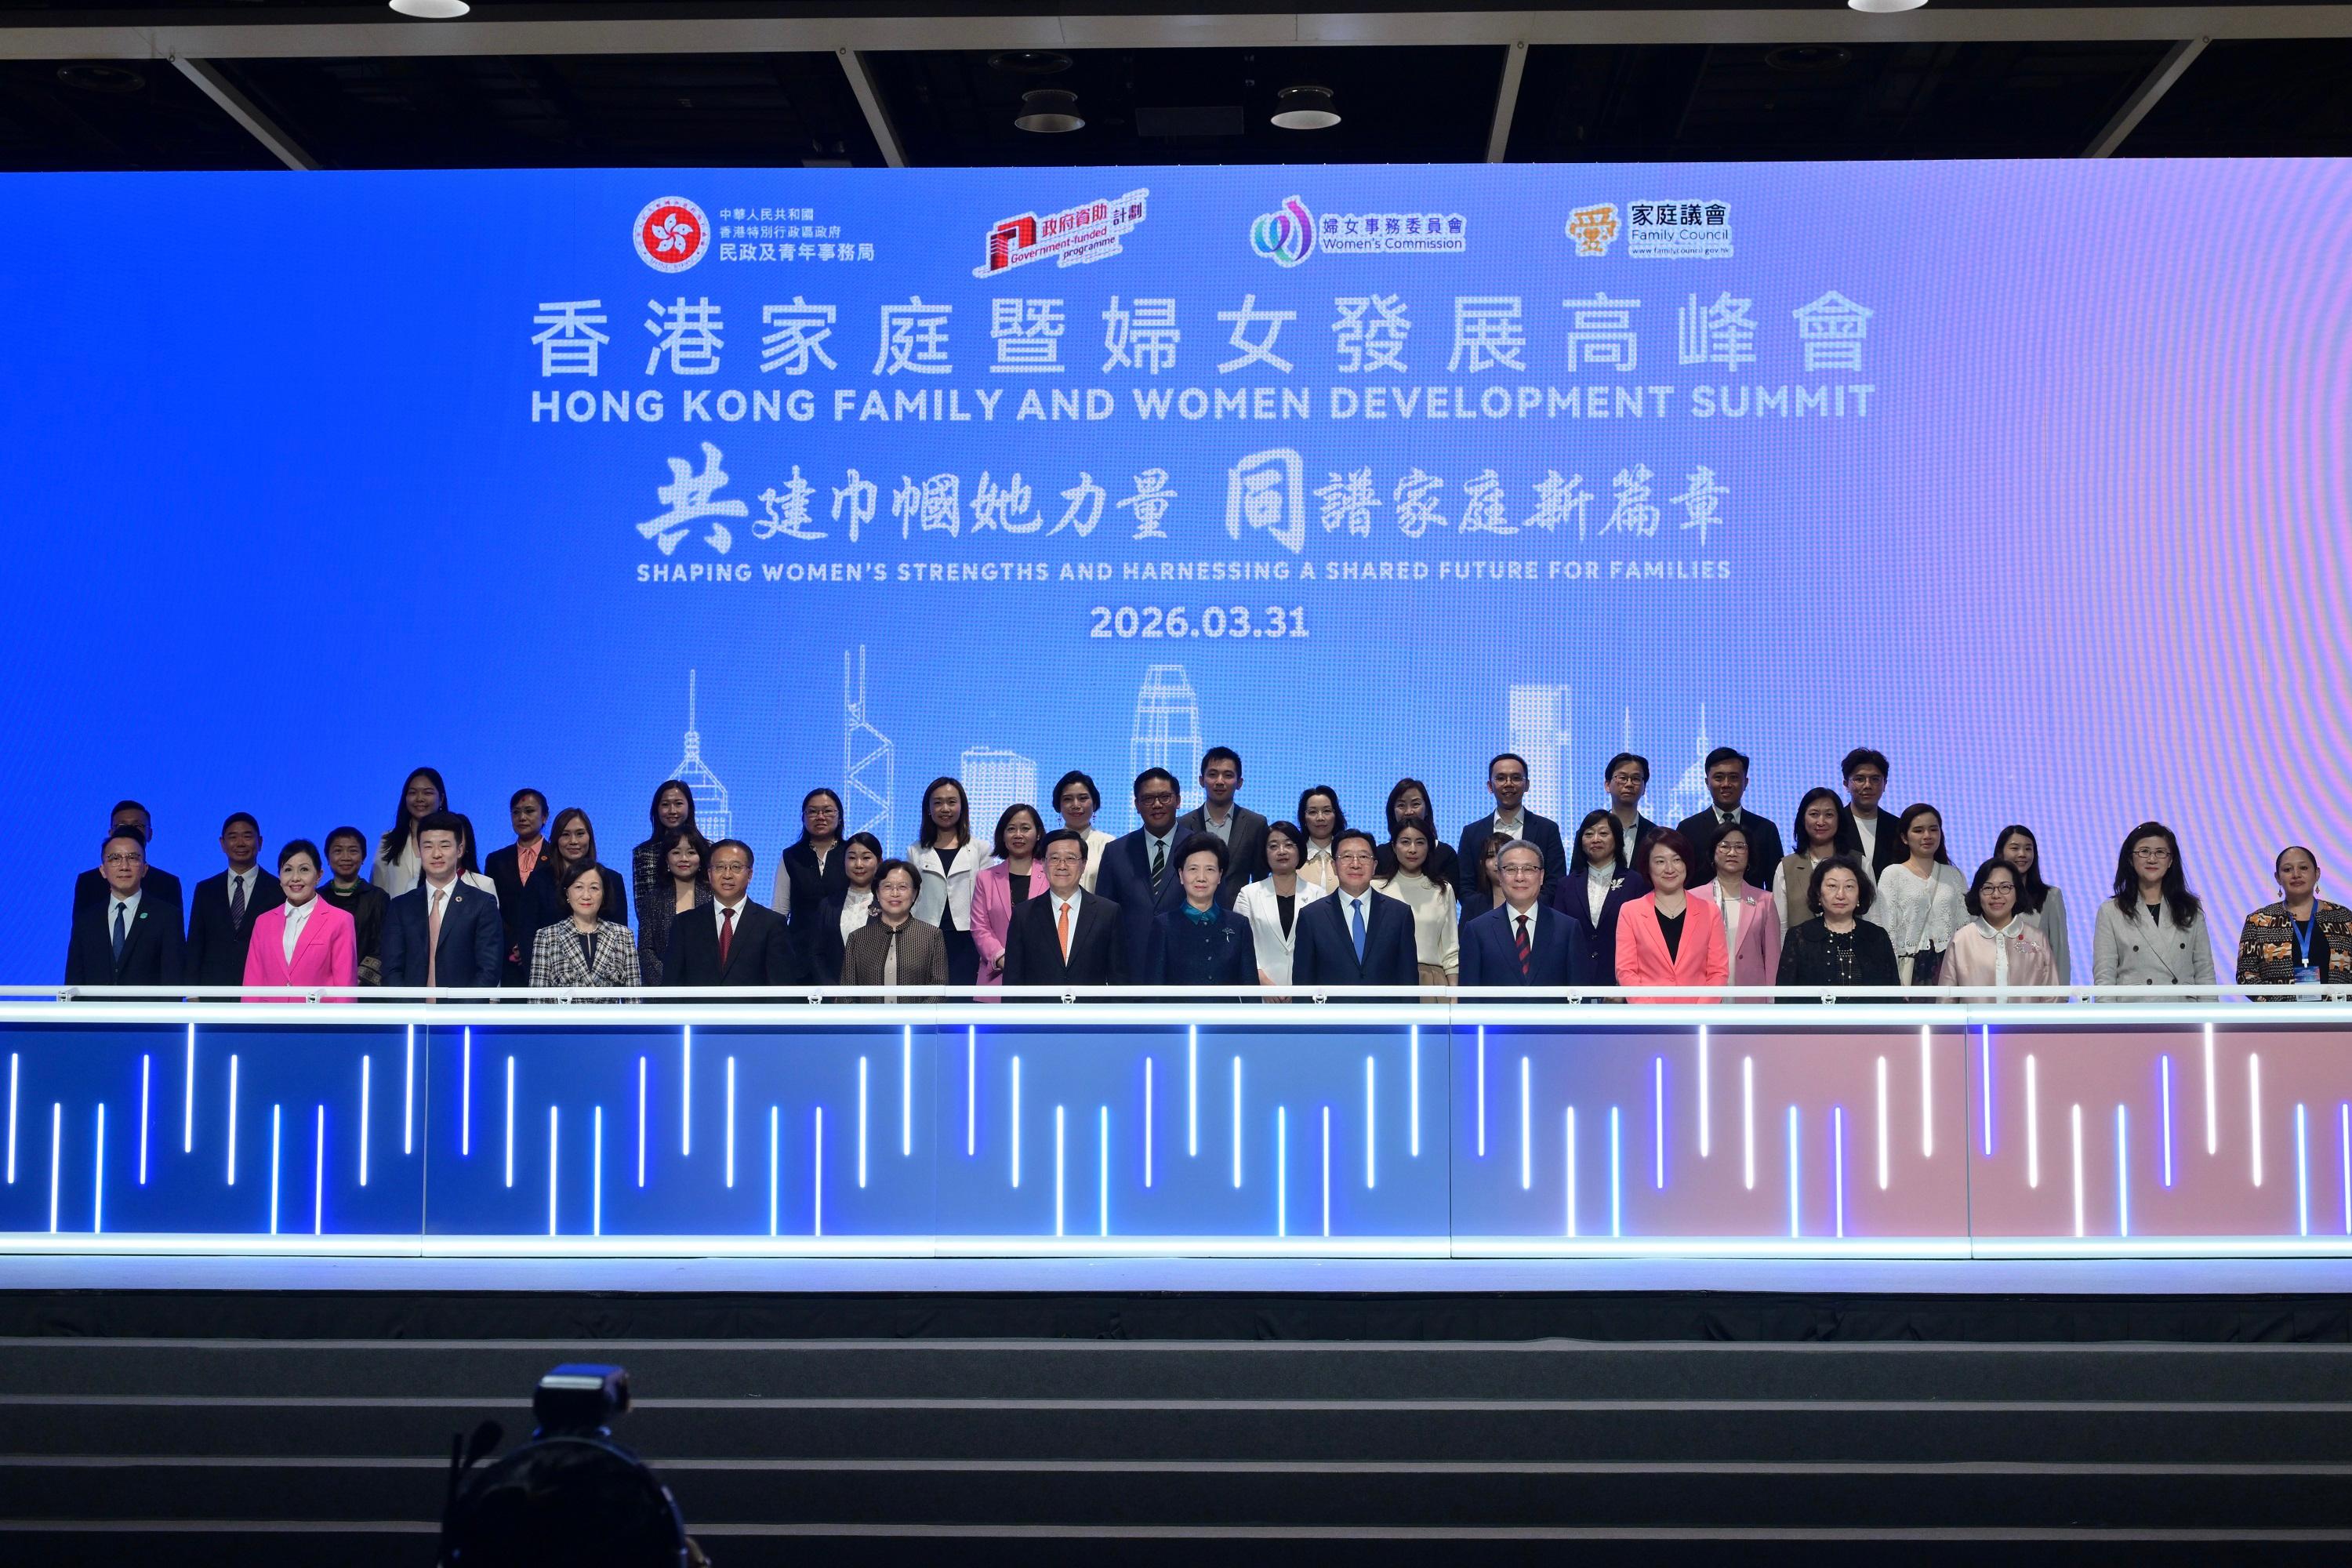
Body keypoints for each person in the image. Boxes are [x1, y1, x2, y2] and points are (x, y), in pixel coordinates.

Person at [380, 812, 503, 993]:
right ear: (419, 851)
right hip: (412, 1014)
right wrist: (408, 1009)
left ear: (459, 850)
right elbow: (391, 969)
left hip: (463, 1015)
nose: (436, 854)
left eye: (445, 845)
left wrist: (459, 1012)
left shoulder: (482, 904)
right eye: (428, 846)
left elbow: (489, 970)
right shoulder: (400, 906)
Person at [661, 839, 802, 993]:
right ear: (709, 874)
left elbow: (782, 989)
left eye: (736, 867)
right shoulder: (685, 923)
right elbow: (671, 986)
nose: (727, 875)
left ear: (750, 875)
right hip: (698, 1015)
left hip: (752, 1015)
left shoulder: (772, 924)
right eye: (720, 867)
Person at [2093, 822, 2216, 996]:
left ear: (2171, 860)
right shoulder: (2111, 911)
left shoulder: (2190, 909)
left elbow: (2205, 972)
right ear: (2130, 858)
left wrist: (2209, 1019)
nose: (2152, 859)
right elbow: (2104, 978)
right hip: (2134, 1014)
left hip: (2183, 1013)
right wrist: (2109, 1021)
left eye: (2160, 852)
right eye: (2144, 852)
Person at [1291, 829, 1419, 994]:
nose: (1356, 864)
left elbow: (1408, 982)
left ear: (1374, 866)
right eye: (1346, 857)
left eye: (1364, 857)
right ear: (1334, 866)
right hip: (1330, 1017)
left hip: (1386, 1017)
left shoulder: (1400, 914)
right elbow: (1303, 984)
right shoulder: (1311, 916)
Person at [1461, 840, 1592, 995]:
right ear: (1500, 877)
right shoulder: (1477, 930)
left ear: (1542, 876)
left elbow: (1579, 993)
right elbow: (1469, 998)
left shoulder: (1568, 929)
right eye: (1510, 869)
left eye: (1529, 869)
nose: (1520, 877)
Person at [1096, 768, 1192, 979]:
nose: (1157, 804)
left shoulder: (1200, 848)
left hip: (1187, 969)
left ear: (1178, 800)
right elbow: (1104, 917)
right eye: (1147, 799)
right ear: (1137, 805)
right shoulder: (1116, 852)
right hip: (1130, 972)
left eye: (1165, 797)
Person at [1614, 830, 1730, 1004]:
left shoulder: (1710, 912)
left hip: (1698, 1018)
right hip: (1649, 1019)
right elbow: (1626, 971)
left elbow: (1718, 972)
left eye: (1677, 860)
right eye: (1660, 862)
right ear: (1647, 866)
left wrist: (1700, 1013)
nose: (1669, 869)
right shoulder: (1630, 912)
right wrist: (1650, 1014)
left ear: (1686, 863)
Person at [1002, 829, 1126, 990]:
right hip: (1038, 1013)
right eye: (1054, 858)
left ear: (1083, 864)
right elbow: (1013, 980)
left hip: (1093, 1013)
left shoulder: (1108, 912)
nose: (1062, 866)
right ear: (1044, 864)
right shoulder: (1023, 914)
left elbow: (1120, 978)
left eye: (1070, 858)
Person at [64, 826, 185, 991]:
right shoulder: (86, 920)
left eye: (133, 858)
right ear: (102, 870)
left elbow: (173, 981)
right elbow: (74, 979)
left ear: (145, 869)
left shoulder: (167, 916)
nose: (124, 866)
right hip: (95, 1014)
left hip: (147, 1015)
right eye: (115, 858)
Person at [240, 840, 357, 1002]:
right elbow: (252, 982)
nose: (295, 878)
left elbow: (345, 987)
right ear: (280, 877)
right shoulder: (263, 922)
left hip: (318, 1022)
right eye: (288, 870)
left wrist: (342, 1026)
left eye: (304, 870)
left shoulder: (340, 921)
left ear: (319, 876)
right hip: (270, 1020)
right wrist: (249, 1024)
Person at [186, 812, 284, 993]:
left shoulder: (278, 890)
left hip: (262, 990)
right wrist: (192, 993)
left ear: (260, 842)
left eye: (247, 836)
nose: (240, 843)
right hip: (212, 990)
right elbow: (195, 945)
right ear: (222, 844)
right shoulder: (205, 890)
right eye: (233, 837)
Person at [2236, 845, 2352, 998]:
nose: (2296, 874)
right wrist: (2281, 1007)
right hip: (2280, 1017)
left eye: (2303, 868)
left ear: (2317, 874)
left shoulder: (2344, 918)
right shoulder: (2259, 920)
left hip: (2338, 1016)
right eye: (2287, 870)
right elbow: (2246, 975)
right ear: (2278, 877)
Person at [1776, 856, 1900, 998]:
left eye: (1849, 887)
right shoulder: (1799, 936)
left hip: (1868, 1019)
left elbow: (1893, 993)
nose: (1840, 895)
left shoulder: (1877, 936)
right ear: (1818, 893)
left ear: (1859, 894)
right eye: (1832, 886)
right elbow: (1784, 996)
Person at [1145, 836, 1260, 988]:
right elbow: (1154, 990)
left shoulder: (1239, 925)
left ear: (1220, 876)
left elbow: (1250, 988)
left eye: (1210, 870)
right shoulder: (1163, 925)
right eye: (1193, 869)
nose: (1201, 878)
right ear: (1181, 875)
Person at [1875, 804, 1967, 989]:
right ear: (1904, 837)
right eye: (1918, 830)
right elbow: (1886, 928)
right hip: (1908, 968)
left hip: (1948, 968)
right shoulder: (1893, 874)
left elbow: (1965, 926)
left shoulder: (1954, 875)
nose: (1927, 836)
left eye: (1933, 829)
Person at [1233, 821, 1328, 996]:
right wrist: (1263, 983)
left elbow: (1323, 949)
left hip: (1305, 994)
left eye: (1289, 845)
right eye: (1273, 846)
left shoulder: (1318, 895)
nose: (1282, 851)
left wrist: (1299, 989)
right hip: (1260, 993)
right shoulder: (1249, 894)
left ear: (1300, 850)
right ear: (1264, 853)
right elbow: (1239, 947)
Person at [1942, 858, 2058, 1000]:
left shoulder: (2036, 939)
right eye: (1988, 888)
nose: (1996, 895)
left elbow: (2052, 998)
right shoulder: (1961, 940)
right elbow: (1946, 999)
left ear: (2017, 892)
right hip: (1975, 1023)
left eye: (2005, 887)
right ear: (1978, 894)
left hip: (2027, 1023)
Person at [1455, 753, 1568, 898]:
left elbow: (1555, 882)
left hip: (1535, 917)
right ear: (1490, 786)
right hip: (1485, 918)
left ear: (1527, 785)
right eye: (1501, 778)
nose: (1508, 784)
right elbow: (1465, 886)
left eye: (1516, 778)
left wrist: (1528, 912)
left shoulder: (1547, 829)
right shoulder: (1472, 833)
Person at [1553, 811, 1646, 985]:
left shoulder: (1635, 882)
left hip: (1621, 983)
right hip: (1575, 984)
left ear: (1617, 839)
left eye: (1603, 833)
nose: (1596, 839)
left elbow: (1643, 939)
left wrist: (1624, 986)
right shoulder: (1566, 885)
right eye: (1589, 834)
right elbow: (1559, 938)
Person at [1673, 747, 1784, 890]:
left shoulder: (1765, 829)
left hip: (1752, 910)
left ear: (1746, 782)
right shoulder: (1688, 829)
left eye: (1734, 777)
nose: (1726, 784)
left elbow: (1775, 886)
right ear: (1707, 783)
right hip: (1700, 910)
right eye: (1719, 778)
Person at [1690, 823, 1781, 995]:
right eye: (1724, 846)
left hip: (1750, 994)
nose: (1732, 853)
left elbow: (1772, 958)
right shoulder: (1693, 898)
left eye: (1740, 847)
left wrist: (1772, 1001)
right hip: (1703, 993)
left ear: (1749, 855)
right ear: (1713, 853)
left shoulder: (1765, 901)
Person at [1371, 813, 1458, 991]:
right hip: (1385, 979)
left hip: (1431, 980)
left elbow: (1450, 950)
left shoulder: (1442, 889)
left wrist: (1454, 995)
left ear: (1429, 847)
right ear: (1394, 847)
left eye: (1420, 842)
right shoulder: (1375, 888)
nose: (1413, 849)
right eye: (1405, 842)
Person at [485, 788, 561, 988]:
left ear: (544, 817)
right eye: (516, 812)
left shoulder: (558, 857)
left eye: (529, 811)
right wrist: (515, 944)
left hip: (551, 956)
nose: (522, 817)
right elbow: (493, 909)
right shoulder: (496, 860)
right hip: (509, 956)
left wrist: (531, 946)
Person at [71, 800, 183, 936]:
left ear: (150, 833)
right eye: (121, 825)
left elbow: (174, 939)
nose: (130, 830)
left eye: (138, 825)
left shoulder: (167, 883)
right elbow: (80, 937)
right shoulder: (89, 882)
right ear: (110, 832)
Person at [1174, 747, 1267, 907]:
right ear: (1201, 780)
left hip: (1238, 916)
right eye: (1213, 774)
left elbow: (1261, 879)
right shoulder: (1182, 824)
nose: (1219, 781)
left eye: (1228, 775)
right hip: (1191, 915)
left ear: (1240, 783)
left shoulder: (1256, 824)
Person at [841, 859, 948, 998]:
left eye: (903, 887)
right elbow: (846, 994)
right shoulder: (858, 938)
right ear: (877, 893)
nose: (895, 893)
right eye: (887, 886)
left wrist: (916, 1019)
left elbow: (938, 991)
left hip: (917, 1019)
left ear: (915, 894)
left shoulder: (931, 936)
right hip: (868, 1019)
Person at [528, 862, 639, 995]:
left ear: (604, 894)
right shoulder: (547, 937)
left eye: (594, 888)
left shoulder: (623, 936)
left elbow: (634, 999)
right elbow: (538, 1000)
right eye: (579, 887)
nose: (586, 896)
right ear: (567, 893)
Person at [971, 803, 1045, 993]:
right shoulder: (985, 878)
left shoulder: (1051, 875)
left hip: (1044, 977)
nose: (1018, 834)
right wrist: (1004, 959)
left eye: (1025, 828)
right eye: (1011, 829)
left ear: (1038, 834)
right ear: (1002, 835)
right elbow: (980, 928)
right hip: (997, 978)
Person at [775, 787, 848, 975]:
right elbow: (780, 911)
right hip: (800, 953)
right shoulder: (791, 856)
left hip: (846, 949)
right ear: (803, 817)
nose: (820, 816)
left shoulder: (852, 854)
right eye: (813, 811)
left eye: (828, 811)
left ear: (840, 816)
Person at [1773, 787, 1867, 935]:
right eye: (1814, 814)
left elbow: (1873, 919)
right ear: (1803, 819)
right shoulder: (1786, 867)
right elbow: (1781, 926)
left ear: (1839, 819)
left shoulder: (1859, 863)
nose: (1821, 822)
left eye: (1829, 815)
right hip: (1801, 955)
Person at [374, 768, 477, 895]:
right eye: (413, 793)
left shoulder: (455, 837)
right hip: (398, 914)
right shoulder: (388, 839)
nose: (419, 798)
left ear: (441, 799)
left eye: (427, 793)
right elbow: (377, 887)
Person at [1991, 826, 2074, 985]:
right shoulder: (1987, 896)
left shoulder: (2051, 897)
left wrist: (2061, 996)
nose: (2022, 854)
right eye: (2015, 848)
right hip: (1991, 993)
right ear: (2000, 853)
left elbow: (2060, 950)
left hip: (2036, 992)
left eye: (2028, 849)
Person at [635, 824, 713, 986]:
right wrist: (670, 982)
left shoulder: (714, 897)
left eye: (691, 852)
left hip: (707, 991)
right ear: (666, 859)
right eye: (676, 852)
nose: (684, 858)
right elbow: (646, 950)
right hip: (663, 994)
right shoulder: (653, 899)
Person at [318, 826, 390, 987]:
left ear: (363, 857)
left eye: (353, 851)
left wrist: (354, 979)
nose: (345, 857)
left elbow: (383, 944)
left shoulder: (378, 898)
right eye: (338, 851)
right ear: (327, 857)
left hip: (363, 989)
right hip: (321, 987)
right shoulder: (317, 898)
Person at [810, 832, 884, 988]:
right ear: (843, 862)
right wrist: (833, 992)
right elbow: (816, 954)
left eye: (866, 858)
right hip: (835, 999)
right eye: (851, 858)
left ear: (879, 862)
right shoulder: (828, 905)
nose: (858, 864)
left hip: (877, 996)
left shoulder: (888, 904)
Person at [630, 780, 698, 935]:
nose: (672, 810)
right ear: (656, 809)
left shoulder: (707, 849)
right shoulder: (643, 853)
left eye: (679, 803)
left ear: (689, 807)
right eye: (665, 804)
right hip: (660, 940)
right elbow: (642, 907)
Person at [1375, 779, 1461, 893]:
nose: (1409, 812)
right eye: (1401, 805)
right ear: (1392, 812)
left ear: (1427, 810)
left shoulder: (1446, 854)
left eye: (1416, 804)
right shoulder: (1380, 854)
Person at [549, 807, 628, 927]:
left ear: (590, 837)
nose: (573, 841)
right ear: (556, 839)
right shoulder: (539, 880)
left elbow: (621, 930)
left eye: (580, 834)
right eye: (565, 835)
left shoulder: (613, 880)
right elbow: (528, 933)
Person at [1051, 769, 1118, 893]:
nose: (1075, 805)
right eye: (1067, 799)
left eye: (1082, 798)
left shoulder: (1109, 844)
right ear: (1058, 805)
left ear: (1095, 803)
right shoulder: (1049, 844)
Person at [1838, 749, 1904, 877]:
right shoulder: (1835, 824)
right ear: (1846, 784)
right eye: (1860, 779)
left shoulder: (1898, 827)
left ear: (1885, 784)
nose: (1868, 785)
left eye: (1875, 779)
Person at [1599, 753, 1661, 873]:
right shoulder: (1589, 833)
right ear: (1607, 785)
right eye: (1622, 778)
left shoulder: (1656, 835)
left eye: (1636, 779)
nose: (1629, 784)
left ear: (1644, 788)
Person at [1295, 785, 1345, 892]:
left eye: (1327, 811)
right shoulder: (1294, 857)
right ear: (1303, 818)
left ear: (1336, 815)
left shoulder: (1348, 855)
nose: (1320, 818)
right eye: (1313, 812)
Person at [1458, 831, 1511, 928]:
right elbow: (1465, 941)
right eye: (1490, 856)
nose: (1497, 862)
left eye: (1503, 855)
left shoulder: (1535, 902)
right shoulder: (1473, 905)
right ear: (1482, 863)